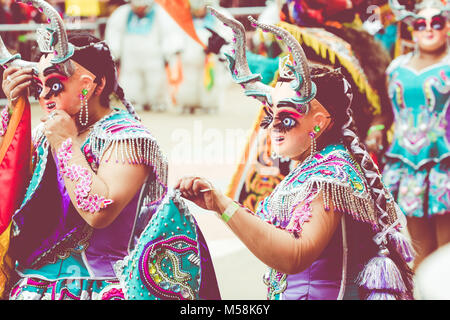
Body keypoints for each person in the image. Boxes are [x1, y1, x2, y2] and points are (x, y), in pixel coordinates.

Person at [176, 7, 415, 300]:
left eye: (286, 119)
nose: (273, 127)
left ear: (320, 123)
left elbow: (295, 255)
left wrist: (222, 205)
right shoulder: (313, 166)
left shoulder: (331, 176)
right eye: (269, 116)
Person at [0, 0, 218, 300]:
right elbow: (11, 195)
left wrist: (65, 142)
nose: (44, 97)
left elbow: (98, 211)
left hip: (99, 288)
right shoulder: (44, 133)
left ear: (94, 85)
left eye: (55, 84)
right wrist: (16, 116)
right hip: (30, 285)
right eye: (39, 86)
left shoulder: (128, 138)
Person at [366, 0, 449, 272]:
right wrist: (377, 128)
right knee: (420, 250)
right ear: (411, 29)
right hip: (406, 164)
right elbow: (385, 111)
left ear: (447, 27)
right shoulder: (396, 67)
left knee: (446, 251)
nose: (428, 29)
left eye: (436, 23)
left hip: (444, 164)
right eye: (420, 24)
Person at [104, 0, 179, 112]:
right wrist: (114, 51)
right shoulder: (122, 13)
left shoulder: (160, 13)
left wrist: (168, 51)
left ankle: (157, 102)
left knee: (156, 78)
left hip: (154, 55)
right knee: (131, 78)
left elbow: (169, 33)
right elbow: (114, 32)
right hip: (130, 56)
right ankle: (134, 101)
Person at [171, 0, 232, 114]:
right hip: (188, 58)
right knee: (188, 79)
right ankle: (187, 103)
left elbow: (228, 33)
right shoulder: (181, 16)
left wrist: (218, 45)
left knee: (211, 80)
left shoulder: (219, 15)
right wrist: (177, 47)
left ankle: (210, 104)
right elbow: (174, 33)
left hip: (210, 58)